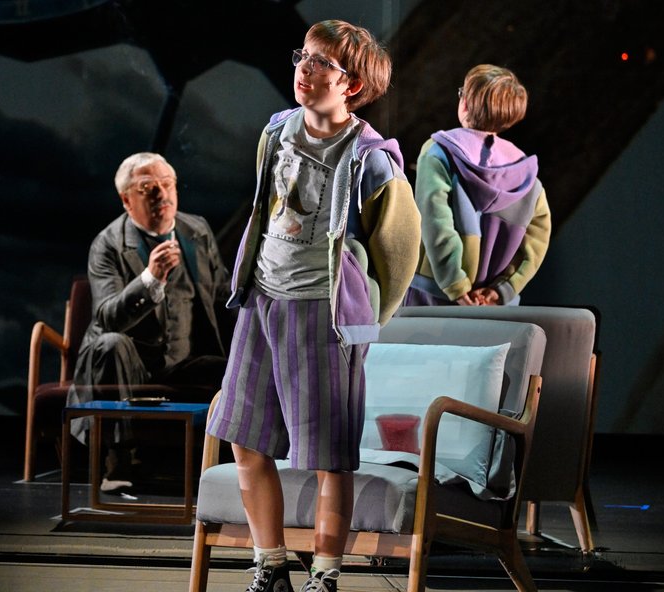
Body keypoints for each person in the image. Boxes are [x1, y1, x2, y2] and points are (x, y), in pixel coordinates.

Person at [204, 20, 421, 592]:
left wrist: (359, 319)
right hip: (261, 302)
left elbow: (399, 255)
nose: (305, 68)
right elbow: (266, 207)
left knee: (329, 456)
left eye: (322, 62)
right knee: (244, 437)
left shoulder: (372, 160)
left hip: (322, 315)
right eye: (303, 55)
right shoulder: (276, 131)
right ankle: (270, 564)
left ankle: (324, 576)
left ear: (352, 85)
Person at [66, 151, 232, 493]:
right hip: (129, 363)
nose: (161, 194)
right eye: (147, 188)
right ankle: (116, 463)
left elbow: (222, 294)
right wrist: (150, 278)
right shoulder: (108, 244)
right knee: (111, 344)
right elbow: (107, 317)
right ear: (127, 200)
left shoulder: (196, 231)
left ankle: (230, 468)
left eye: (167, 184)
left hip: (182, 361)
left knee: (237, 367)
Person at [403, 64, 551, 308]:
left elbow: (436, 222)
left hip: (432, 296)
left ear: (466, 103)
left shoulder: (439, 152)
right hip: (491, 306)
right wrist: (501, 290)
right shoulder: (528, 177)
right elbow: (535, 245)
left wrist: (456, 284)